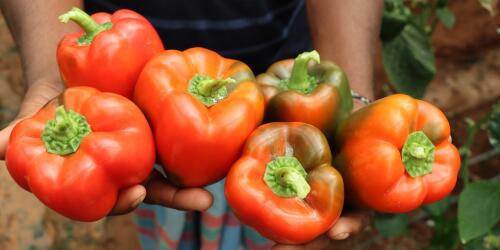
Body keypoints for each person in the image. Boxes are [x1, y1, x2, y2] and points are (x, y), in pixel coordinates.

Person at [0, 0, 382, 249]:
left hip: (281, 107)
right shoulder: (114, 116)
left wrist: (351, 113)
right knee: (161, 209)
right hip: (135, 118)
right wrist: (54, 75)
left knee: (268, 223)